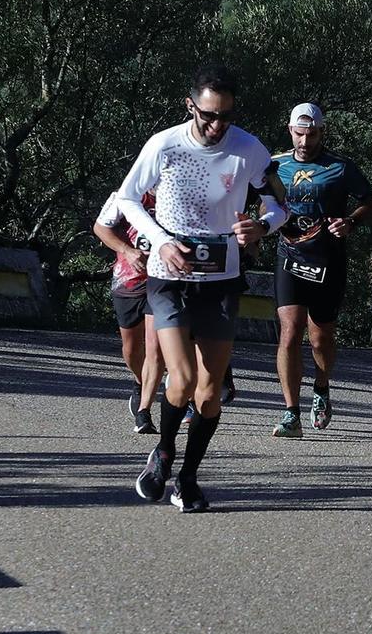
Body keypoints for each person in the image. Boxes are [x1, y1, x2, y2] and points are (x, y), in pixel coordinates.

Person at [114, 62, 288, 512]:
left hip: (222, 279)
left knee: (210, 392)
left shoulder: (249, 149)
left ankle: (187, 479)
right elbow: (127, 198)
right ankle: (164, 453)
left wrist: (261, 228)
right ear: (190, 106)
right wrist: (161, 241)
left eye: (225, 117)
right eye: (207, 115)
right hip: (168, 277)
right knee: (183, 378)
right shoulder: (164, 144)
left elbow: (279, 205)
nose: (216, 125)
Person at [270, 103, 372, 438]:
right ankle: (290, 412)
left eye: (312, 134)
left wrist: (351, 222)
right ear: (289, 131)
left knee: (320, 337)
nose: (305, 141)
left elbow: (369, 200)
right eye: (299, 134)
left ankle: (322, 386)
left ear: (322, 132)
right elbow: (263, 200)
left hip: (327, 260)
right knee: (289, 332)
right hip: (289, 254)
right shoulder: (276, 165)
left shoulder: (340, 167)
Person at [92, 190, 165, 435]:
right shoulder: (126, 194)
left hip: (163, 279)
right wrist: (127, 250)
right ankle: (140, 381)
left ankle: (144, 413)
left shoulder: (179, 194)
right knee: (132, 349)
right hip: (129, 279)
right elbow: (101, 228)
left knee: (155, 347)